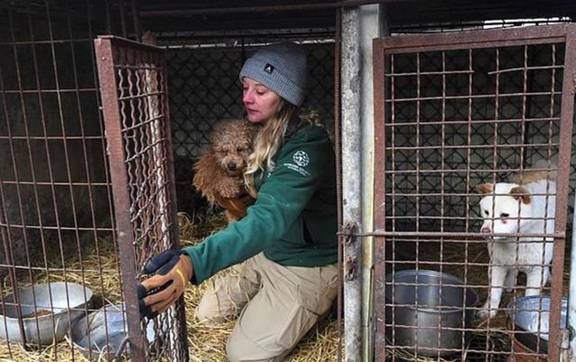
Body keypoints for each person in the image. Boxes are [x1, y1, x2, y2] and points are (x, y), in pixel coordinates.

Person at [139, 42, 339, 362]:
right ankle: (269, 304)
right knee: (206, 314)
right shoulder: (262, 132)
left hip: (306, 263)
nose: (247, 98)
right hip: (269, 251)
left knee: (243, 354)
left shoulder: (307, 146)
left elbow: (267, 217)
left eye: (261, 91)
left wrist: (194, 261)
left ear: (286, 96)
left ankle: (318, 300)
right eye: (246, 87)